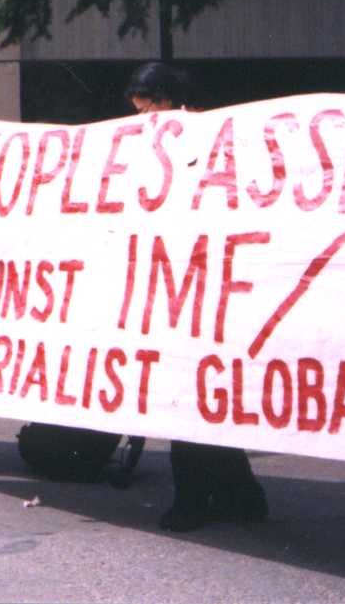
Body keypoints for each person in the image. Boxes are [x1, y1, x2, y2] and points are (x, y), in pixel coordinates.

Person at [124, 62, 270, 532]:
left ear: (170, 101)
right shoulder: (152, 147)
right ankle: (243, 495)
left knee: (193, 398)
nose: (144, 117)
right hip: (174, 284)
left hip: (207, 285)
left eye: (150, 106)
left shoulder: (212, 139)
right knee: (197, 399)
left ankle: (195, 500)